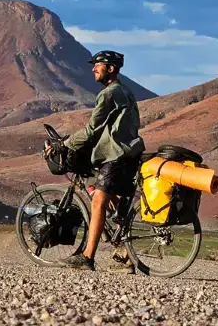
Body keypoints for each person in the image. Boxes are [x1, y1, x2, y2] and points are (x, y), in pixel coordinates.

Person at [59, 49, 144, 271]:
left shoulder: (109, 94)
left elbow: (91, 129)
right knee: (101, 193)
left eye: (98, 65)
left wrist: (65, 144)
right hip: (128, 154)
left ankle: (87, 258)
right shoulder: (126, 92)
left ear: (111, 69)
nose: (93, 68)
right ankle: (124, 255)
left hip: (116, 155)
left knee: (97, 201)